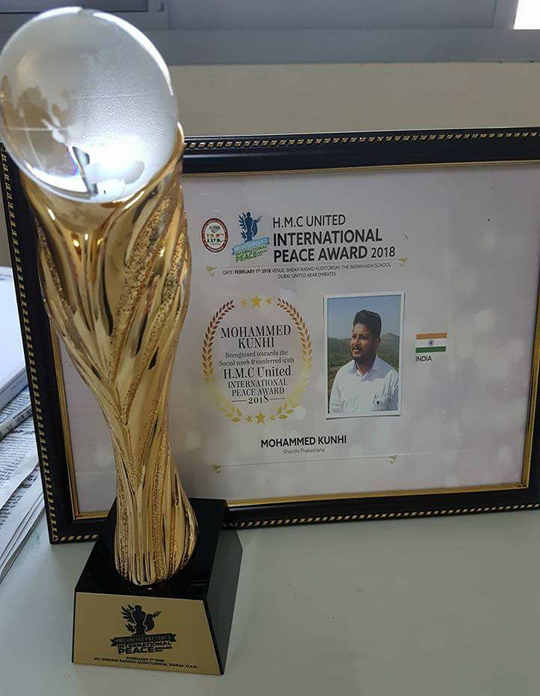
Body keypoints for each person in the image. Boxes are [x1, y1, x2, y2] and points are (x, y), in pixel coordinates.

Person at [329, 309, 399, 415]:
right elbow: (334, 416)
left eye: (363, 337)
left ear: (376, 342)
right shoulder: (342, 375)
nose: (356, 343)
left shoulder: (392, 378)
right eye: (354, 336)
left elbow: (395, 422)